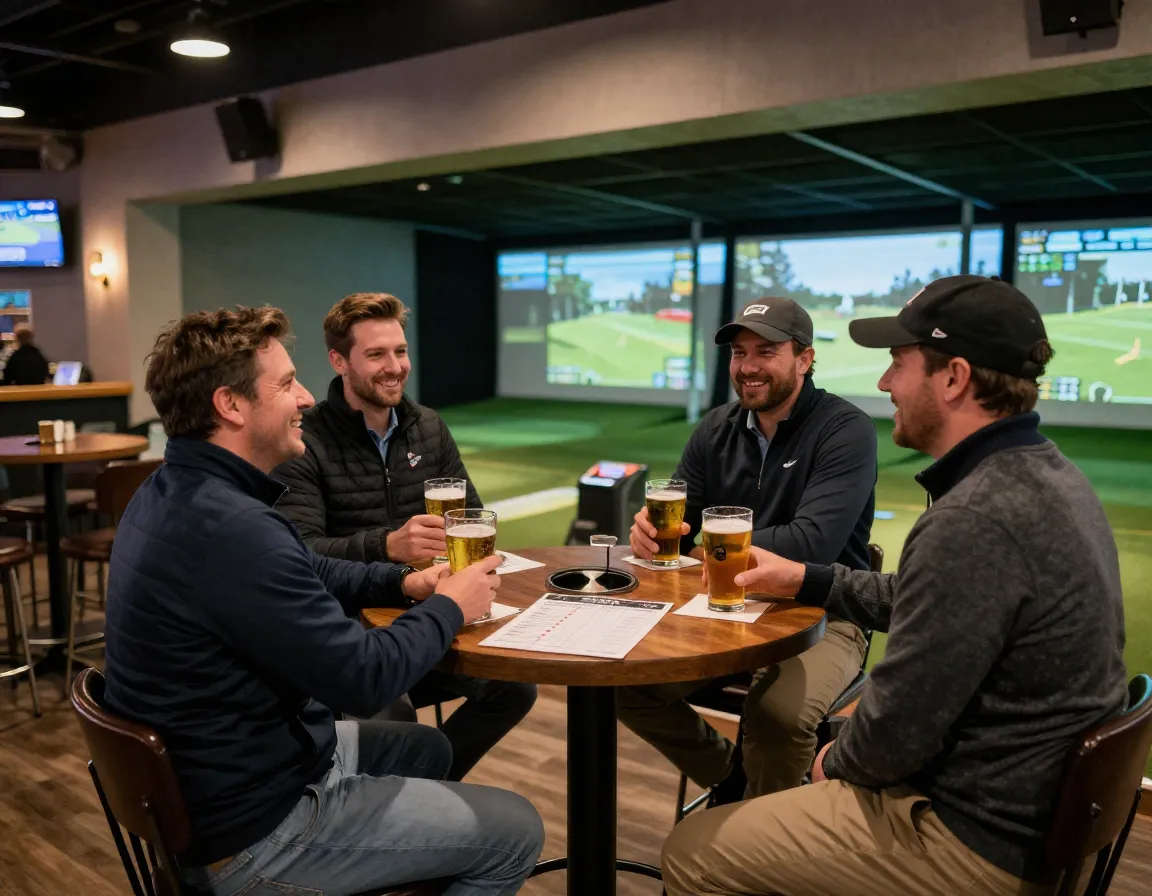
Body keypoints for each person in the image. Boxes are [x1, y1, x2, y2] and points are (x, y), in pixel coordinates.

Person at [661, 275, 1128, 896]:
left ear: (954, 378)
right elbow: (926, 602)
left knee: (692, 852)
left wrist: (837, 759)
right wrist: (809, 578)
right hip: (1027, 813)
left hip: (974, 835)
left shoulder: (974, 517)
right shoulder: (1047, 474)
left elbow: (896, 733)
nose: (885, 385)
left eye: (897, 364)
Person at [102, 306, 544, 896]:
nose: (306, 396)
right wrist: (451, 606)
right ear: (230, 406)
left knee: (430, 747)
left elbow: (308, 564)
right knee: (518, 829)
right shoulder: (233, 530)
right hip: (253, 830)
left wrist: (403, 584)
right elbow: (363, 680)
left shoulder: (175, 490)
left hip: (227, 778)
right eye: (285, 384)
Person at [619, 298, 877, 803]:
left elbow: (811, 545)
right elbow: (679, 523)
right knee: (624, 685)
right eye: (739, 353)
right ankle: (730, 781)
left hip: (822, 611)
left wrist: (701, 551)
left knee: (778, 716)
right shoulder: (716, 427)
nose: (748, 367)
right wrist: (649, 533)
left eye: (766, 351)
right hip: (721, 604)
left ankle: (763, 841)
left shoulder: (845, 429)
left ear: (804, 359)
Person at [274, 292, 536, 781]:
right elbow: (300, 551)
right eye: (376, 354)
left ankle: (424, 787)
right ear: (339, 361)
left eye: (399, 351)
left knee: (514, 687)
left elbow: (474, 518)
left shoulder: (427, 426)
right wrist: (388, 546)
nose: (394, 366)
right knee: (391, 715)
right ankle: (407, 800)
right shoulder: (305, 438)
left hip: (426, 609)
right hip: (352, 627)